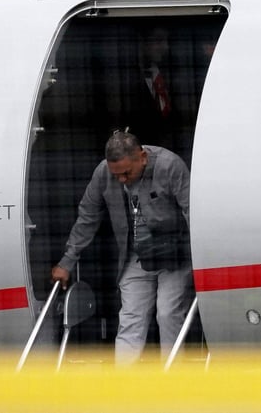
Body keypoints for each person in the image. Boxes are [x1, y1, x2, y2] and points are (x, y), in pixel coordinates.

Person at [51, 130, 193, 365]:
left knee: (168, 312)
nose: (121, 180)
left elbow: (191, 210)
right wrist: (67, 261)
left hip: (174, 255)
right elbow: (87, 217)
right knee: (130, 318)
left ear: (143, 157)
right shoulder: (103, 172)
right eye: (116, 175)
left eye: (126, 173)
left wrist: (204, 256)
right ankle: (124, 381)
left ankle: (173, 378)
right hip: (135, 256)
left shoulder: (169, 165)